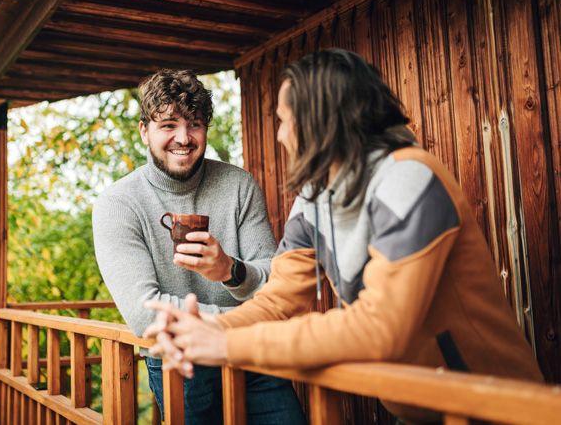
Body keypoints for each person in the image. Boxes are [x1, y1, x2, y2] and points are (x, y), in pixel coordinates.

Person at [144, 50, 544, 422]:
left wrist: (226, 347)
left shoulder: (409, 179)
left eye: (285, 119)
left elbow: (380, 327)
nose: (280, 135)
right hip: (423, 408)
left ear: (321, 119)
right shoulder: (314, 198)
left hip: (497, 406)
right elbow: (278, 301)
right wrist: (207, 330)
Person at [92, 69, 305, 424]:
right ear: (144, 130)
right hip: (183, 360)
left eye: (194, 124)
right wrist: (244, 324)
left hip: (253, 358)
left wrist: (231, 271)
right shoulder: (118, 203)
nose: (183, 137)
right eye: (168, 125)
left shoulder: (239, 185)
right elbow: (146, 314)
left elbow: (274, 278)